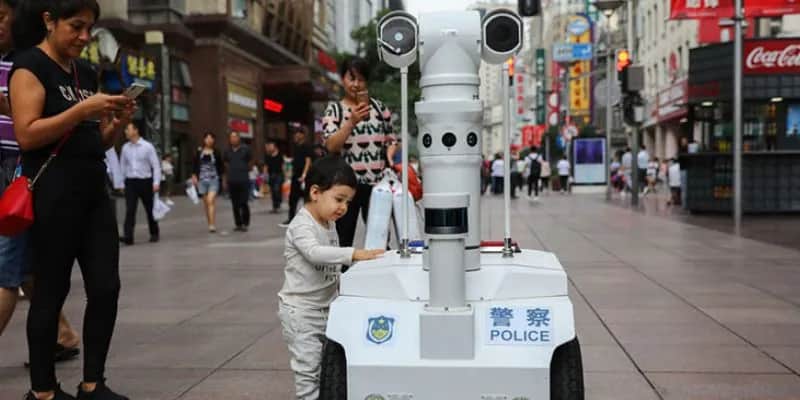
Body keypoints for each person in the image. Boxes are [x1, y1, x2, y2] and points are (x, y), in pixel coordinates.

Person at [10, 0, 136, 398]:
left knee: (106, 287)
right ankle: (43, 391)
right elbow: (27, 134)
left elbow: (91, 142)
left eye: (89, 30)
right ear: (49, 21)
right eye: (76, 27)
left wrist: (115, 125)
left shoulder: (83, 70)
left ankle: (92, 383)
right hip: (52, 194)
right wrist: (82, 108)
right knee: (51, 290)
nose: (84, 37)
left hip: (93, 192)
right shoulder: (29, 66)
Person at [0, 0, 80, 369]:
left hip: (17, 169)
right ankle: (62, 334)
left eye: (2, 16)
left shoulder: (28, 63)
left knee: (6, 265)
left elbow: (33, 119)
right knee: (22, 265)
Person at [278, 156, 385, 400]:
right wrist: (354, 254)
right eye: (339, 199)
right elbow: (315, 254)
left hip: (325, 309)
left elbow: (332, 269)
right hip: (301, 312)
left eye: (347, 202)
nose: (344, 208)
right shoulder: (301, 225)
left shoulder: (328, 222)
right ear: (315, 192)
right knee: (309, 373)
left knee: (326, 368)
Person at [321, 56, 397, 247]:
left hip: (377, 186)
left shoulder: (379, 108)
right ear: (342, 80)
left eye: (361, 79)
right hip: (345, 186)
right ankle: (344, 276)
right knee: (343, 240)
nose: (356, 84)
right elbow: (331, 145)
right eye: (351, 78)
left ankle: (380, 274)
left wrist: (389, 154)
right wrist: (351, 122)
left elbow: (393, 139)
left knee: (380, 240)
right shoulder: (335, 110)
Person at [119, 122, 161, 245]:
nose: (126, 131)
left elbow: (155, 165)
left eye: (128, 129)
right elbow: (122, 166)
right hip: (131, 182)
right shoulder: (125, 148)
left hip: (145, 182)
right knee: (130, 209)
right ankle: (128, 236)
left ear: (136, 130)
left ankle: (154, 233)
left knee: (149, 209)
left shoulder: (147, 147)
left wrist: (156, 182)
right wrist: (121, 183)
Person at [280, 126, 312, 228]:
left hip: (303, 177)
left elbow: (308, 161)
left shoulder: (306, 146)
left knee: (306, 199)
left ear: (302, 135)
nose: (295, 135)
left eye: (298, 133)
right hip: (295, 176)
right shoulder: (296, 147)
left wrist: (304, 174)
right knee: (292, 198)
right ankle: (291, 218)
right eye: (295, 133)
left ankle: (309, 219)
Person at [191, 132, 223, 233]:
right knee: (206, 204)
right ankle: (210, 223)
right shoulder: (199, 151)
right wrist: (194, 176)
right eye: (207, 138)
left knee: (210, 200)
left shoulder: (216, 152)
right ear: (204, 140)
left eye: (211, 138)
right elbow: (195, 164)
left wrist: (222, 177)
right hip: (202, 180)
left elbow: (221, 166)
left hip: (214, 179)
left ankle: (212, 225)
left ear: (213, 140)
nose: (209, 140)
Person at [224, 132, 252, 232]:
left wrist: (244, 170)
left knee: (244, 202)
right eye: (231, 137)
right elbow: (226, 164)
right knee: (234, 203)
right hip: (232, 180)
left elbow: (250, 163)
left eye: (235, 137)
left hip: (243, 179)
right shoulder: (227, 151)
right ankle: (238, 223)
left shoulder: (245, 149)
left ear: (239, 138)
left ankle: (245, 223)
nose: (233, 139)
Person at [263, 140, 283, 213]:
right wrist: (264, 175)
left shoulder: (280, 155)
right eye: (269, 146)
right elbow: (266, 166)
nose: (270, 147)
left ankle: (278, 202)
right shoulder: (267, 156)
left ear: (275, 147)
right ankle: (275, 206)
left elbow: (283, 165)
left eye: (271, 146)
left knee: (276, 189)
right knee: (273, 191)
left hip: (279, 175)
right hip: (271, 175)